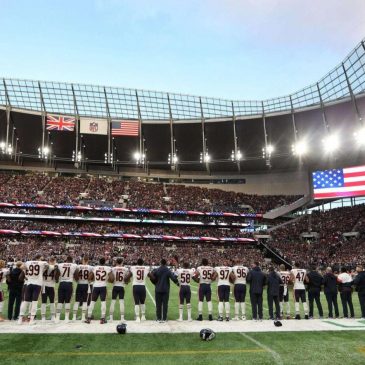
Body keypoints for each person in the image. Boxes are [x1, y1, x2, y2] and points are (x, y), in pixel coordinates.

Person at [18, 254, 48, 325]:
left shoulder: (28, 262)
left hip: (29, 283)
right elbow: (48, 266)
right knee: (34, 302)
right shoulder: (42, 263)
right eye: (41, 258)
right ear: (38, 258)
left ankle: (20, 319)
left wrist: (27, 274)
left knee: (25, 301)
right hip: (37, 284)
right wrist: (42, 270)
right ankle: (31, 320)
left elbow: (21, 267)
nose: (42, 259)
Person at [85, 257, 114, 324]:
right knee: (103, 302)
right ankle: (102, 318)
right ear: (105, 262)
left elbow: (89, 278)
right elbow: (112, 279)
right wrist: (107, 280)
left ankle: (88, 318)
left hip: (96, 286)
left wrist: (93, 279)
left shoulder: (95, 268)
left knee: (92, 302)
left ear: (99, 261)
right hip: (103, 286)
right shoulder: (108, 268)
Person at [55, 256, 79, 323]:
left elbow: (57, 273)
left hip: (62, 283)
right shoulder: (74, 265)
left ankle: (57, 317)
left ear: (66, 260)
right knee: (68, 301)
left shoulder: (60, 265)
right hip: (69, 284)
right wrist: (77, 280)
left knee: (60, 301)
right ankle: (66, 317)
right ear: (72, 260)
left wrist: (56, 280)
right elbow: (76, 276)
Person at [126, 258, 150, 322]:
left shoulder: (133, 268)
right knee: (142, 302)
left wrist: (126, 281)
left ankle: (137, 317)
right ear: (143, 263)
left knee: (136, 303)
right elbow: (152, 277)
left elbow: (127, 277)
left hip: (135, 286)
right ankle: (143, 316)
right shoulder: (146, 268)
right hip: (142, 286)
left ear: (137, 263)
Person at [73, 256, 93, 322]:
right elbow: (92, 276)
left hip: (79, 284)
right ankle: (83, 317)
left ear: (82, 260)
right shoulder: (90, 267)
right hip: (86, 285)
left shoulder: (78, 266)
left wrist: (76, 280)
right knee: (85, 302)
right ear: (88, 261)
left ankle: (74, 317)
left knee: (77, 301)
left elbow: (75, 275)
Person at [109, 257, 129, 322]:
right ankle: (122, 318)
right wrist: (126, 282)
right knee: (121, 302)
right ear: (122, 262)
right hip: (121, 286)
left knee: (113, 302)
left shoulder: (113, 269)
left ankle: (111, 318)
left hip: (115, 286)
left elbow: (110, 279)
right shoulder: (125, 269)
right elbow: (127, 279)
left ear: (116, 262)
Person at [41, 257, 57, 323]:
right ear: (53, 261)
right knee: (52, 301)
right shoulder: (55, 266)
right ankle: (53, 316)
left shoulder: (44, 266)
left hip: (44, 285)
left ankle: (43, 317)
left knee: (43, 302)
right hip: (51, 285)